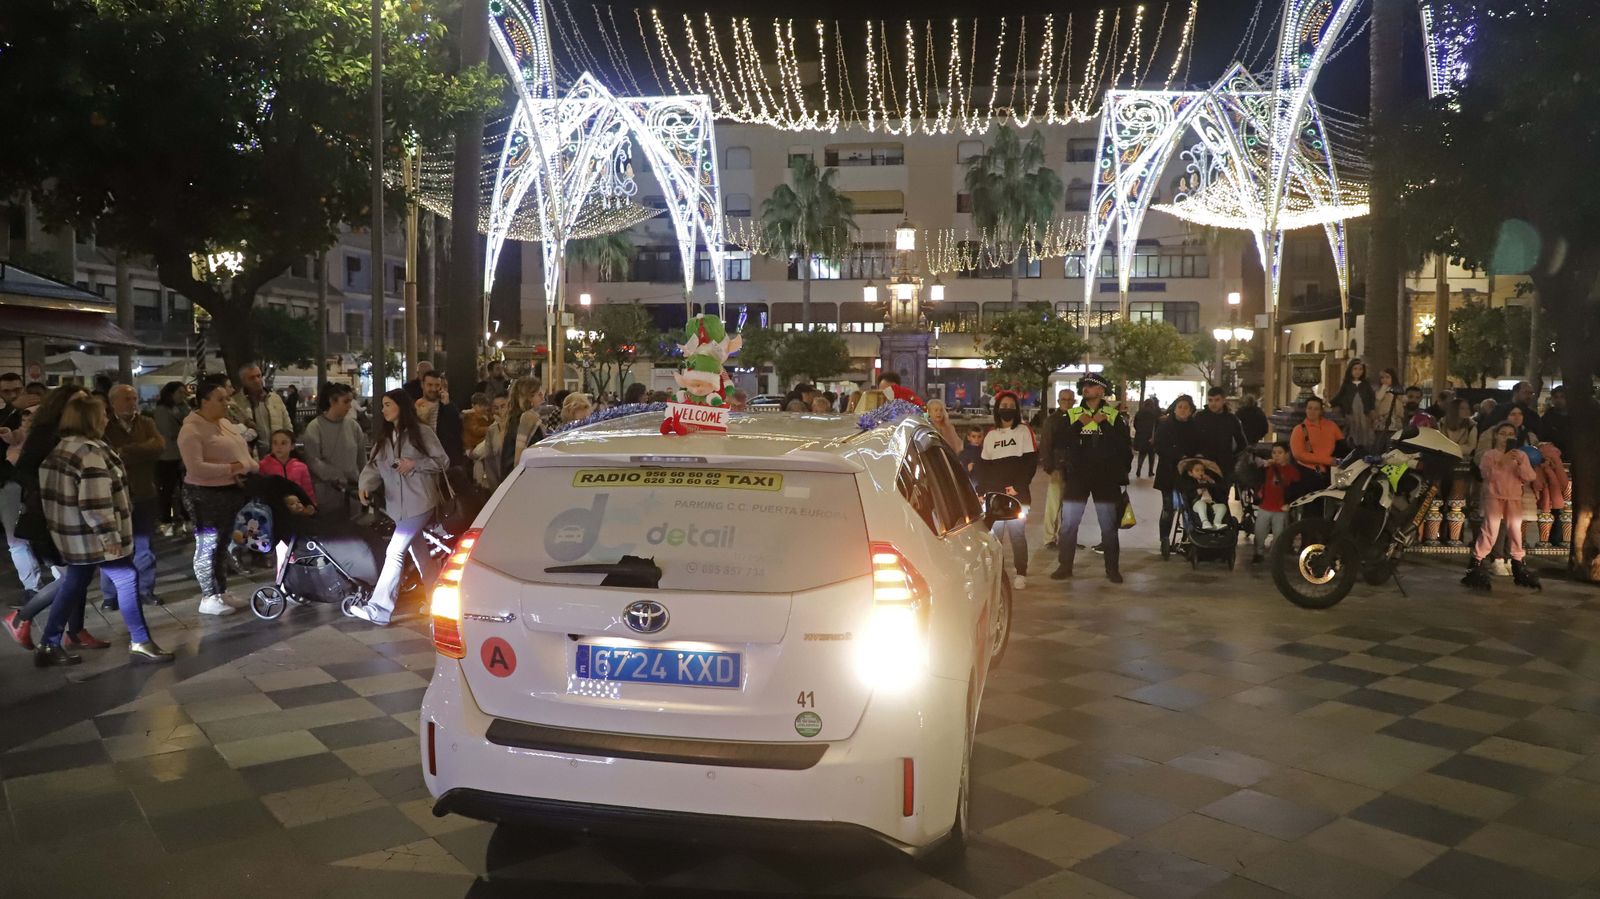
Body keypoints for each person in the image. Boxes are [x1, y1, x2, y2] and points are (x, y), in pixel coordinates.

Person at [35, 394, 172, 666]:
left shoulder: (62, 448)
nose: (107, 419)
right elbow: (95, 502)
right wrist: (109, 536)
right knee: (126, 578)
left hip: (72, 536)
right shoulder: (90, 453)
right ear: (91, 419)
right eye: (103, 415)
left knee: (75, 582)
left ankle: (49, 643)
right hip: (92, 537)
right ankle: (140, 640)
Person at [349, 389, 449, 626]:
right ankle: (437, 602)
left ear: (400, 407)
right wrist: (365, 485)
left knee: (395, 551)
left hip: (420, 501)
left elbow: (442, 461)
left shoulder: (421, 433)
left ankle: (380, 608)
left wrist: (414, 464)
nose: (383, 409)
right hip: (399, 507)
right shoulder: (385, 438)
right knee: (420, 553)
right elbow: (373, 467)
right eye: (382, 405)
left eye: (387, 404)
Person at [179, 379, 257, 616]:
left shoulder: (224, 423)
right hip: (204, 494)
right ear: (204, 401)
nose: (226, 403)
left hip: (229, 491)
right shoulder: (191, 430)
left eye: (226, 398)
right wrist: (233, 468)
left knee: (223, 544)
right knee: (207, 545)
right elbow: (196, 467)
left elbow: (241, 451)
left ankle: (220, 591)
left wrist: (247, 467)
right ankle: (208, 595)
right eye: (220, 399)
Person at [1050, 374, 1130, 583]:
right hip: (1078, 477)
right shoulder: (1074, 413)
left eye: (1091, 386)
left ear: (1101, 391)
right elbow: (1061, 440)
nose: (1086, 388)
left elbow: (1123, 447)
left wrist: (1103, 425)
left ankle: (1112, 569)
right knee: (1068, 525)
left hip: (1106, 478)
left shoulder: (1112, 415)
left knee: (1108, 526)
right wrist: (1078, 425)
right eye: (1084, 385)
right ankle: (1064, 566)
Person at [99, 385, 164, 610]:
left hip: (144, 491)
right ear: (113, 402)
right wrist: (139, 451)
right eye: (127, 399)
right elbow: (107, 455)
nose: (132, 402)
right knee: (113, 546)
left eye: (134, 398)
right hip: (116, 496)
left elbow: (157, 446)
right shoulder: (106, 426)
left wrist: (126, 451)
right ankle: (110, 594)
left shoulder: (146, 423)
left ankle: (145, 589)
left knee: (144, 544)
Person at [1463, 422, 1540, 592]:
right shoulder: (1490, 455)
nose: (1507, 437)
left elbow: (1529, 476)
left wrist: (1520, 463)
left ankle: (1519, 563)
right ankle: (1477, 561)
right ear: (1496, 436)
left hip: (1513, 497)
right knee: (1491, 529)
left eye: (1510, 434)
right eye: (1503, 433)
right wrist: (1501, 462)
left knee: (1515, 530)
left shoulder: (1520, 455)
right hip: (1494, 496)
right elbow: (1486, 475)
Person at [977, 392, 1036, 589]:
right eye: (1004, 404)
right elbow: (984, 465)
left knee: (1017, 535)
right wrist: (982, 490)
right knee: (995, 537)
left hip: (1016, 495)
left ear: (1016, 409)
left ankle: (1021, 572)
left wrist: (1018, 487)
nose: (1007, 408)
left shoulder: (1023, 431)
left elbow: (1030, 463)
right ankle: (996, 573)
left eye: (1011, 405)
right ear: (997, 408)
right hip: (995, 494)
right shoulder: (991, 435)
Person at [301, 382, 366, 518]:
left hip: (353, 491)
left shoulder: (354, 426)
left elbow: (361, 458)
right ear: (332, 401)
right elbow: (313, 461)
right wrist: (337, 476)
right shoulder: (315, 427)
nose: (349, 406)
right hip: (327, 493)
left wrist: (364, 480)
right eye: (346, 401)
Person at [1154, 395, 1200, 557]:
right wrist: (1177, 455)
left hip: (1189, 473)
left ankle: (1188, 540)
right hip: (1168, 472)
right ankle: (1165, 539)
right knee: (1168, 508)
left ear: (1191, 410)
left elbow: (1198, 445)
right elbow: (1159, 446)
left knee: (1190, 507)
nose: (1182, 410)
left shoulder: (1194, 426)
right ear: (1175, 408)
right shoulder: (1165, 425)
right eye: (1180, 407)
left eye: (1186, 407)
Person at [151, 381, 190, 536]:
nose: (183, 395)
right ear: (170, 393)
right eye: (180, 392)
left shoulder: (183, 408)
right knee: (167, 490)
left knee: (185, 490)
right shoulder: (161, 410)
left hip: (183, 455)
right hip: (168, 456)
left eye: (184, 392)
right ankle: (166, 522)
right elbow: (168, 432)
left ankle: (186, 520)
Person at [1192, 388, 1248, 496]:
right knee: (1204, 498)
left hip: (1224, 467)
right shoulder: (1200, 418)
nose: (1213, 403)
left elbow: (1242, 442)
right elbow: (1192, 439)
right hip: (1204, 465)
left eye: (1217, 400)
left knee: (1222, 497)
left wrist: (1232, 458)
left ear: (1223, 400)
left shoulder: (1231, 419)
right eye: (1210, 400)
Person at [1252, 442, 1300, 563]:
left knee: (1279, 534)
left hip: (1281, 508)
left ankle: (1275, 554)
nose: (1276, 456)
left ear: (1287, 454)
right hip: (1265, 505)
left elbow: (1296, 489)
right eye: (1274, 453)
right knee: (1259, 531)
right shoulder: (1268, 467)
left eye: (1280, 453)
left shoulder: (1292, 471)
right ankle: (1259, 552)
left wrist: (1289, 503)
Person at [230, 364, 292, 457]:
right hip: (253, 458)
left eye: (259, 376)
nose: (257, 380)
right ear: (243, 381)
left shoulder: (275, 399)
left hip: (277, 457)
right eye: (251, 378)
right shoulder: (237, 403)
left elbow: (287, 427)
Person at [1039, 388, 1075, 549]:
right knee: (1054, 505)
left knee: (1069, 506)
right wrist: (1049, 466)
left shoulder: (1078, 418)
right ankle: (1049, 538)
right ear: (1059, 401)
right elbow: (1046, 444)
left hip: (1073, 467)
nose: (1066, 402)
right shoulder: (1052, 420)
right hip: (1058, 467)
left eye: (1069, 399)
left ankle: (1065, 536)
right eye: (1063, 399)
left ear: (1074, 401)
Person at [1290, 396, 1344, 492]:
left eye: (1316, 409)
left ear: (1321, 411)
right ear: (1305, 410)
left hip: (1331, 470)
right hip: (1308, 471)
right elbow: (1299, 454)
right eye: (1309, 408)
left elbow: (1342, 446)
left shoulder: (1331, 426)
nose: (1312, 411)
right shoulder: (1299, 429)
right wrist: (1327, 460)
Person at [1436, 397, 1478, 505]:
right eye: (1462, 408)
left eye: (1467, 408)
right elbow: (1439, 442)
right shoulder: (1442, 423)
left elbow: (1471, 446)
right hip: (1443, 461)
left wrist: (1451, 448)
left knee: (1458, 489)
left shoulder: (1471, 425)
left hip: (1462, 461)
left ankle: (1456, 510)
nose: (1466, 411)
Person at [417, 370, 463, 463]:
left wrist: (447, 405)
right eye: (430, 385)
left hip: (442, 455)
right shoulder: (415, 406)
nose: (434, 389)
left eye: (437, 385)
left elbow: (457, 429)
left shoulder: (447, 406)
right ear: (422, 385)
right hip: (421, 455)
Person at [1331, 359, 1378, 450]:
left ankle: (1363, 449)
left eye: (1360, 369)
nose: (1358, 371)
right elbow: (1339, 396)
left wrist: (1371, 409)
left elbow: (1371, 398)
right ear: (1350, 370)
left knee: (1364, 431)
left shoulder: (1365, 384)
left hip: (1364, 413)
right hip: (1351, 413)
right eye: (1355, 369)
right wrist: (1331, 404)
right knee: (1351, 431)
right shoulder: (1347, 384)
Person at [259, 429, 316, 503]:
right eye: (275, 443)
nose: (278, 447)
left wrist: (312, 505)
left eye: (283, 443)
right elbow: (261, 490)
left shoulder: (301, 467)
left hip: (296, 508)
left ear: (292, 446)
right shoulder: (263, 465)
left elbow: (308, 491)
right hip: (274, 508)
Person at [1183, 459, 1229, 530]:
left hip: (1210, 504)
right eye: (1197, 471)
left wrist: (1210, 481)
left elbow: (1218, 493)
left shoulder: (1207, 481)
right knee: (1201, 504)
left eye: (1202, 470)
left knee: (1222, 507)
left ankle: (1217, 523)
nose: (1200, 472)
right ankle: (1205, 522)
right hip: (1197, 504)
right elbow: (1188, 495)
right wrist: (1198, 492)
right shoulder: (1190, 483)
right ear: (1190, 473)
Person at [1132, 398, 1159, 477]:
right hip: (1151, 436)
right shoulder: (1154, 413)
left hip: (1141, 436)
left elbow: (1135, 424)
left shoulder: (1139, 412)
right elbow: (1157, 425)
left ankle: (1138, 469)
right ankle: (1150, 471)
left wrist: (1139, 431)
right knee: (1151, 455)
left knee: (1142, 453)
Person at [1540, 386, 1570, 455]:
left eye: (1562, 397)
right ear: (1552, 399)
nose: (1558, 400)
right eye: (1556, 397)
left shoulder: (1575, 417)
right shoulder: (1546, 419)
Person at [461, 392, 492, 457]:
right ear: (473, 405)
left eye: (484, 405)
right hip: (472, 445)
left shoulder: (487, 416)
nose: (483, 408)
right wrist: (489, 429)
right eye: (480, 406)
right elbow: (475, 430)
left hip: (481, 441)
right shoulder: (470, 416)